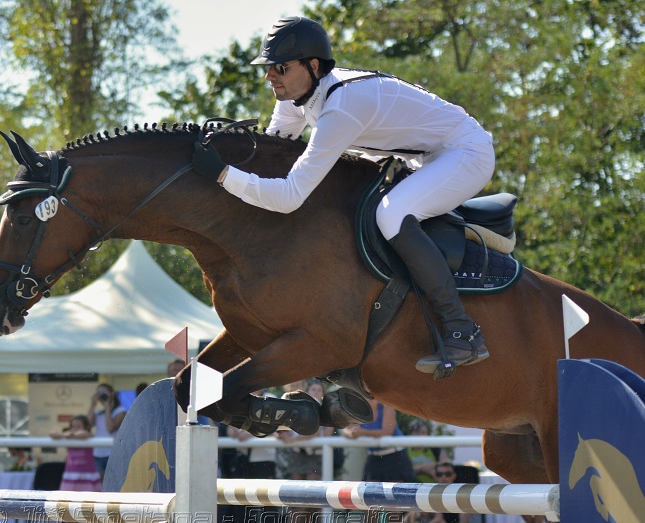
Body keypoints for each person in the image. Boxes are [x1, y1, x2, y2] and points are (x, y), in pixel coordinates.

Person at [191, 16, 495, 375]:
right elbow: (273, 159)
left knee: (391, 214)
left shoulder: (342, 106)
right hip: (422, 157)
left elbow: (289, 195)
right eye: (269, 68)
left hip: (465, 153)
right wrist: (227, 155)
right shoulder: (295, 96)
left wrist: (223, 175)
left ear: (313, 66)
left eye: (280, 68)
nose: (271, 76)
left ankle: (460, 328)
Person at [341, 398, 414, 523]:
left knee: (392, 502)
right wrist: (351, 434)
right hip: (374, 457)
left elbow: (387, 431)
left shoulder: (387, 406)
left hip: (394, 456)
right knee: (369, 499)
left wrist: (361, 432)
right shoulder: (359, 409)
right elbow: (346, 427)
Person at [276, 380, 330, 523]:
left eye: (318, 389)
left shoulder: (324, 408)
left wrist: (293, 440)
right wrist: (283, 435)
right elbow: (280, 430)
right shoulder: (299, 405)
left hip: (316, 457)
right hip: (298, 456)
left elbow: (315, 432)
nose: (315, 392)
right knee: (298, 500)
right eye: (313, 389)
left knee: (312, 499)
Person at [51, 415, 101, 523]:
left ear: (86, 427)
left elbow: (84, 434)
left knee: (87, 509)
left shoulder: (87, 437)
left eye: (78, 426)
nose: (75, 429)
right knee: (68, 508)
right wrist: (65, 435)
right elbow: (52, 434)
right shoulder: (68, 437)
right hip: (70, 478)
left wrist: (68, 435)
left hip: (87, 478)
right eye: (73, 426)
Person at [87, 383, 126, 478]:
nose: (101, 395)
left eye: (103, 392)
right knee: (99, 483)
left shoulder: (120, 411)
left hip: (112, 453)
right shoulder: (98, 412)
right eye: (99, 393)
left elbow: (110, 428)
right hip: (98, 453)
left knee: (111, 481)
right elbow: (87, 425)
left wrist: (108, 408)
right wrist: (93, 405)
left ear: (112, 394)